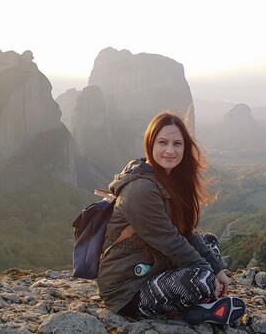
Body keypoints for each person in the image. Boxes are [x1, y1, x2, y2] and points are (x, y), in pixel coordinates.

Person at [97, 111, 245, 325]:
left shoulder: (169, 179)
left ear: (185, 148)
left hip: (155, 267)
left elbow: (186, 232)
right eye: (163, 142)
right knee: (202, 279)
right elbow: (170, 241)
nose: (170, 150)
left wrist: (218, 269)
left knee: (209, 241)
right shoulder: (140, 189)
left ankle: (201, 306)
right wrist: (208, 275)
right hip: (128, 289)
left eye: (177, 144)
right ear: (150, 144)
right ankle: (202, 305)